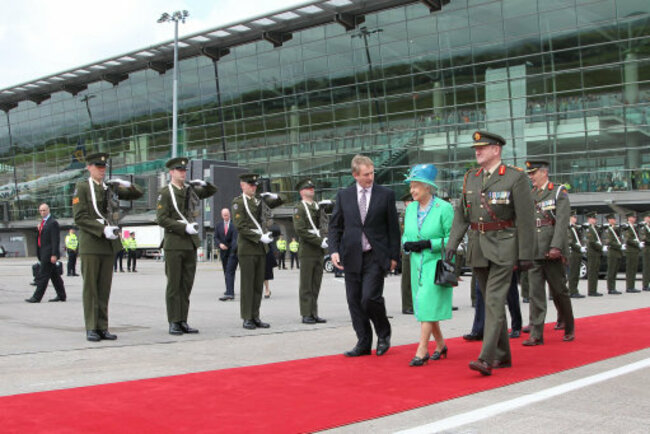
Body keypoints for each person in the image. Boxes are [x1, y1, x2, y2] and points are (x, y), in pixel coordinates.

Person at [446, 131, 535, 376]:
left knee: (494, 302)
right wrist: (452, 245)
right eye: (476, 148)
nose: (477, 151)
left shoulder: (515, 178)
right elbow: (462, 215)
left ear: (497, 150)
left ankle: (486, 358)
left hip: (505, 246)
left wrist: (526, 253)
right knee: (491, 302)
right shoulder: (470, 178)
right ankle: (504, 356)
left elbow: (526, 219)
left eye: (483, 148)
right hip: (478, 247)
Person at [328, 154, 400, 357]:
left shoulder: (385, 195)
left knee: (369, 298)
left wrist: (394, 256)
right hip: (350, 256)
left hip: (375, 256)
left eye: (372, 173)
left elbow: (393, 229)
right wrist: (333, 250)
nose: (371, 177)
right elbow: (335, 226)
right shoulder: (344, 196)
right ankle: (363, 341)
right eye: (366, 174)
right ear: (355, 175)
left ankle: (383, 334)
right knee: (354, 301)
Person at [73, 152, 143, 341]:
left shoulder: (109, 188)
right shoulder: (82, 187)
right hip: (92, 243)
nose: (101, 170)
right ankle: (91, 327)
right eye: (98, 166)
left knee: (104, 288)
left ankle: (103, 327)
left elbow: (138, 193)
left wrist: (127, 184)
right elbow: (79, 217)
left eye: (103, 167)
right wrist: (101, 229)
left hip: (108, 245)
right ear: (89, 167)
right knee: (91, 288)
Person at [156, 157, 217, 336]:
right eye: (179, 170)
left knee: (186, 285)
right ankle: (173, 321)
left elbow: (212, 190)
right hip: (174, 243)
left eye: (184, 170)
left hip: (189, 244)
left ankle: (183, 320)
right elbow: (162, 218)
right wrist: (183, 227)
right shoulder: (166, 193)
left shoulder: (190, 191)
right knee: (174, 285)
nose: (182, 173)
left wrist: (201, 182)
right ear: (171, 173)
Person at [400, 164, 454, 366]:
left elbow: (453, 239)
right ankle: (440, 345)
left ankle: (422, 349)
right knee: (425, 306)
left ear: (428, 187)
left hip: (436, 263)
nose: (412, 190)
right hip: (416, 264)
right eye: (411, 185)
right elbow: (406, 234)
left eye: (416, 186)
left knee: (426, 302)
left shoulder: (444, 208)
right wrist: (407, 245)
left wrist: (429, 244)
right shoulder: (411, 208)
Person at [522, 159, 575, 346]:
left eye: (533, 173)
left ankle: (569, 326)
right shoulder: (531, 194)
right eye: (529, 174)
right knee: (535, 293)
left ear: (544, 173)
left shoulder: (558, 191)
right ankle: (536, 334)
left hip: (552, 250)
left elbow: (561, 222)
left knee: (560, 291)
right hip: (535, 250)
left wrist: (557, 247)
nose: (530, 177)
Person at [232, 173, 283, 330]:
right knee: (248, 284)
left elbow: (268, 216)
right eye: (250, 184)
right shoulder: (238, 202)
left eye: (255, 185)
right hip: (248, 248)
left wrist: (275, 197)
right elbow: (240, 226)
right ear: (243, 185)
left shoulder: (260, 202)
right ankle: (247, 317)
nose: (253, 187)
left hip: (261, 248)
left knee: (257, 285)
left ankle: (255, 316)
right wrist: (259, 237)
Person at [293, 178, 329, 324]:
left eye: (312, 188)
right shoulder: (299, 208)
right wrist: (320, 241)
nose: (311, 190)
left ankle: (314, 312)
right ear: (302, 192)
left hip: (318, 251)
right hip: (308, 250)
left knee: (316, 283)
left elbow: (324, 225)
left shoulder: (317, 207)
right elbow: (300, 230)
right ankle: (306, 313)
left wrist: (324, 238)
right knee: (306, 284)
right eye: (308, 188)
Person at [25, 203, 67, 303]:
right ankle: (61, 295)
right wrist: (39, 229)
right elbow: (41, 238)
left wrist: (54, 254)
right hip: (43, 252)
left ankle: (36, 297)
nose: (42, 212)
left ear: (48, 210)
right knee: (55, 276)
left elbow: (55, 240)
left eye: (44, 210)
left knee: (43, 275)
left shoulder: (53, 223)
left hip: (49, 254)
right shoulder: (43, 223)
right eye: (41, 211)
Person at [215, 208, 238, 301]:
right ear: (222, 215)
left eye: (227, 215)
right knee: (226, 271)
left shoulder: (234, 225)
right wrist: (220, 244)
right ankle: (228, 289)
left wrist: (231, 248)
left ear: (230, 214)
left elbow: (234, 239)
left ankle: (230, 292)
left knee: (230, 270)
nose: (226, 216)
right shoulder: (218, 225)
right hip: (223, 252)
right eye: (224, 215)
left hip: (233, 252)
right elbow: (215, 237)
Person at [399, 192, 414, 315]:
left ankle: (413, 303)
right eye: (410, 201)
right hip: (407, 248)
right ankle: (407, 305)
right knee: (407, 278)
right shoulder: (405, 214)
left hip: (416, 247)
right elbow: (402, 231)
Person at [585, 211, 604, 296]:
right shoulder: (589, 229)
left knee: (595, 271)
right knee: (592, 272)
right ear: (589, 219)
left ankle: (594, 289)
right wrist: (600, 247)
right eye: (593, 218)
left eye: (595, 218)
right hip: (593, 252)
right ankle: (591, 291)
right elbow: (592, 242)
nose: (595, 220)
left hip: (597, 253)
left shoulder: (595, 228)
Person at [603, 213, 623, 295]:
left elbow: (619, 238)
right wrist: (619, 245)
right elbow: (610, 241)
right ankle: (610, 288)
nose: (614, 220)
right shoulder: (608, 229)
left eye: (615, 219)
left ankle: (613, 287)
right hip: (612, 252)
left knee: (615, 271)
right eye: (613, 219)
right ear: (609, 220)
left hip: (617, 252)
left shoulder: (615, 228)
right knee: (611, 271)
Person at [568, 211, 586, 298]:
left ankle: (575, 290)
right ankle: (572, 291)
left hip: (577, 252)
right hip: (573, 252)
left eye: (575, 217)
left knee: (576, 273)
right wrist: (579, 247)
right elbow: (570, 241)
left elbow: (579, 239)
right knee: (573, 273)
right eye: (573, 217)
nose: (575, 218)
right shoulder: (567, 227)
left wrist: (582, 246)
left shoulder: (575, 227)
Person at [622, 212, 642, 293]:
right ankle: (629, 287)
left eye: (635, 217)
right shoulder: (627, 227)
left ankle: (632, 286)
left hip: (635, 251)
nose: (634, 219)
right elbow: (628, 240)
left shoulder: (633, 227)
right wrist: (637, 243)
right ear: (629, 218)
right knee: (630, 269)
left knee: (633, 269)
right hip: (630, 251)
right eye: (633, 217)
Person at [641, 211, 650, 292]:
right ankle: (645, 285)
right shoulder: (643, 227)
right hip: (647, 248)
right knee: (647, 267)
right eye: (648, 217)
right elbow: (644, 238)